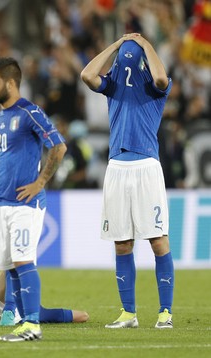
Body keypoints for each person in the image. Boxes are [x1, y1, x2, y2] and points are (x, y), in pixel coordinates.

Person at [80, 33, 175, 329]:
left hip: (147, 165)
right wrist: (117, 45)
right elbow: (86, 74)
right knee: (122, 244)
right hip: (117, 166)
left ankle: (165, 313)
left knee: (158, 241)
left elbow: (161, 77)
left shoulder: (155, 87)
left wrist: (145, 44)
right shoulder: (113, 87)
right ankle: (128, 313)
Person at [0, 57, 67, 342]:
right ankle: (23, 322)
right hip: (2, 203)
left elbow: (58, 146)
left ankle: (32, 324)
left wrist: (40, 182)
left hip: (25, 205)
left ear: (10, 83)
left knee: (23, 261)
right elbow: (0, 157)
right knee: (11, 268)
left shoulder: (30, 112)